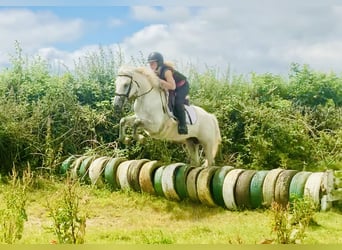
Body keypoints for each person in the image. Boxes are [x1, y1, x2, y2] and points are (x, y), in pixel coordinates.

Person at [147, 52, 189, 135]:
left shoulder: (166, 71)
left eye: (153, 63)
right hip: (172, 87)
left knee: (177, 102)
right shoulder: (155, 71)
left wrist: (159, 81)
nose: (151, 66)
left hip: (182, 86)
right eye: (150, 63)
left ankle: (183, 125)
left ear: (159, 63)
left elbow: (172, 86)